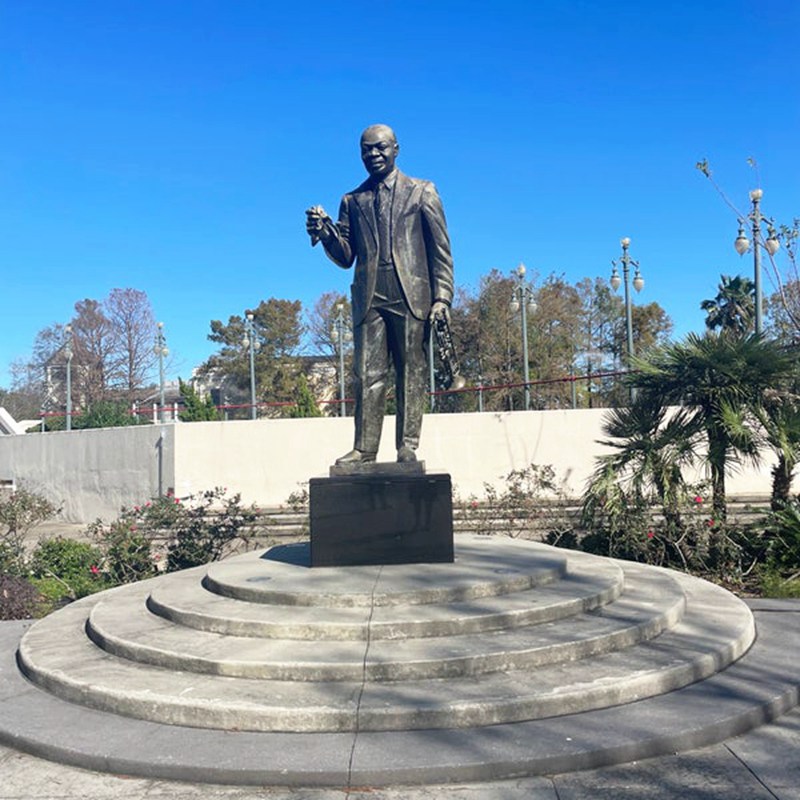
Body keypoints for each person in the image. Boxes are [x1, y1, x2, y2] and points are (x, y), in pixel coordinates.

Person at [306, 124, 454, 464]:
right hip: (370, 295)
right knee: (367, 375)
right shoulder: (352, 200)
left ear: (396, 149)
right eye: (365, 150)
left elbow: (441, 252)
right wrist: (326, 234)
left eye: (379, 148)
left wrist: (442, 298)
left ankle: (408, 445)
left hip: (412, 294)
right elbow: (345, 257)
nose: (373, 155)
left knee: (410, 371)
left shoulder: (422, 191)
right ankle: (365, 448)